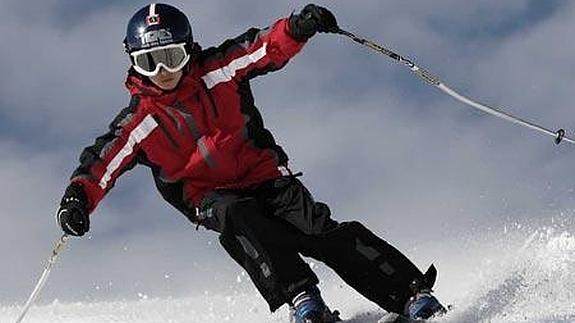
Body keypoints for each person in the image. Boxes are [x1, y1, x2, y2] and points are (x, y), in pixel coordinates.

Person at [55, 3, 446, 322]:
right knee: (239, 219)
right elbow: (101, 164)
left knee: (319, 231)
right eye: (151, 62)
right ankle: (303, 300)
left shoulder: (216, 71)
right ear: (134, 64)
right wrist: (78, 199)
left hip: (264, 176)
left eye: (172, 58)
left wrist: (297, 27)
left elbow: (261, 47)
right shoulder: (140, 122)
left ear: (188, 50)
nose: (165, 73)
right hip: (208, 195)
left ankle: (411, 295)